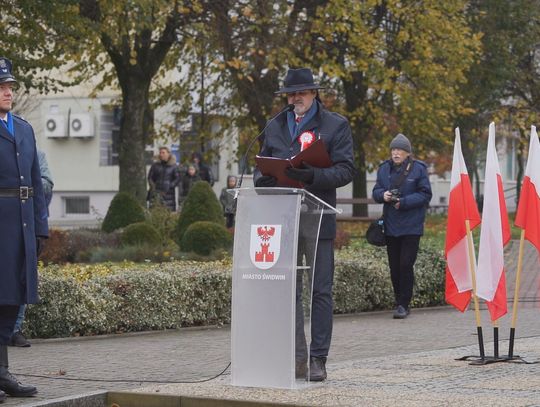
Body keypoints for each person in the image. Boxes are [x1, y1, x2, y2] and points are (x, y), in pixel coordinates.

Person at [253, 68, 355, 381]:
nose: (296, 98)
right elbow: (261, 167)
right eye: (291, 93)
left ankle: (318, 359)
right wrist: (264, 179)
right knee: (289, 290)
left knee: (320, 291)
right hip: (283, 218)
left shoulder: (334, 124)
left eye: (302, 92)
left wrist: (313, 176)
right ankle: (297, 358)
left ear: (314, 94)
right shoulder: (274, 124)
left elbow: (346, 170)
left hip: (318, 217)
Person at [0, 56, 48, 399]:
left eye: (10, 87)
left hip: (22, 225)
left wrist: (41, 228)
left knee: (14, 299)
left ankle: (2, 374)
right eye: (2, 87)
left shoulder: (25, 128)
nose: (8, 93)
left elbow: (35, 182)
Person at [372, 133, 432, 319]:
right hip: (391, 225)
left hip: (411, 225)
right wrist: (384, 195)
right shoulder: (383, 169)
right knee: (394, 266)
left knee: (406, 264)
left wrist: (404, 202)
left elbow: (425, 195)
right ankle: (399, 301)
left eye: (400, 150)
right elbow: (375, 191)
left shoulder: (419, 169)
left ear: (407, 153)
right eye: (393, 150)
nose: (396, 153)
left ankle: (404, 304)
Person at [9, 150, 53, 348]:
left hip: (27, 222)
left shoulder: (34, 153)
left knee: (22, 276)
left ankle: (14, 329)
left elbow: (46, 183)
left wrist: (24, 186)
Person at [147, 146, 181, 211]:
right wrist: (153, 187)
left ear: (168, 154)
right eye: (160, 153)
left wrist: (170, 186)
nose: (161, 154)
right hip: (156, 193)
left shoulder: (173, 166)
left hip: (168, 194)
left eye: (163, 153)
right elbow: (150, 177)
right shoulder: (155, 165)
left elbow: (177, 179)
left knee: (168, 213)